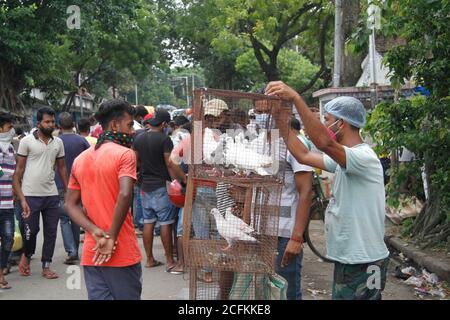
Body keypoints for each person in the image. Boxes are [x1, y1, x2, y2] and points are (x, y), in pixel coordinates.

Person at [266, 81, 390, 300]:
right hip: (351, 259)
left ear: (340, 124)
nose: (324, 125)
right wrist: (280, 120)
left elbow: (323, 142)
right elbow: (303, 155)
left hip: (364, 261)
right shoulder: (344, 159)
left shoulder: (363, 157)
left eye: (327, 120)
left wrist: (296, 98)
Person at [65, 99, 142, 300]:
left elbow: (69, 204)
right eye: (130, 124)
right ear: (115, 125)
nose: (132, 131)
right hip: (121, 249)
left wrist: (94, 230)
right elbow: (125, 194)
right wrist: (112, 237)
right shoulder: (126, 154)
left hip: (93, 250)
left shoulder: (81, 159)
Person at [13, 107, 68, 279]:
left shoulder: (58, 143)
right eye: (47, 122)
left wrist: (68, 190)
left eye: (52, 121)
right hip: (30, 195)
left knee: (51, 231)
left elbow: (62, 168)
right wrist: (21, 198)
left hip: (51, 195)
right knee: (30, 230)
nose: (51, 124)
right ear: (38, 123)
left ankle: (46, 265)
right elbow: (18, 172)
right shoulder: (26, 141)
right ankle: (26, 256)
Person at [133, 109, 186, 271]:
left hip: (144, 185)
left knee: (148, 222)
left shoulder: (139, 137)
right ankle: (169, 260)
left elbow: (135, 161)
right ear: (164, 124)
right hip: (161, 185)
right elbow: (170, 163)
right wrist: (180, 180)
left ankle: (149, 259)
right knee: (166, 222)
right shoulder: (164, 140)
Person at [275, 118, 314, 300]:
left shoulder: (295, 146)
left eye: (264, 111)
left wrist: (296, 237)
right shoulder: (259, 142)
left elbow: (306, 191)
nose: (259, 117)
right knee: (268, 291)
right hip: (262, 233)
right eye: (257, 111)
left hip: (285, 233)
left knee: (287, 291)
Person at [56, 113, 90, 265]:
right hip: (80, 184)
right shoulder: (82, 141)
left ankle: (71, 251)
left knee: (64, 218)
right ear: (73, 124)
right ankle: (75, 248)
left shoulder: (56, 141)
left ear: (59, 126)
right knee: (77, 215)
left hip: (60, 184)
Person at [0, 113, 16, 289]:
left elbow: (13, 175)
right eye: (7, 127)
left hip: (7, 204)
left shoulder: (11, 149)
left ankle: (2, 270)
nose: (11, 130)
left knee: (8, 239)